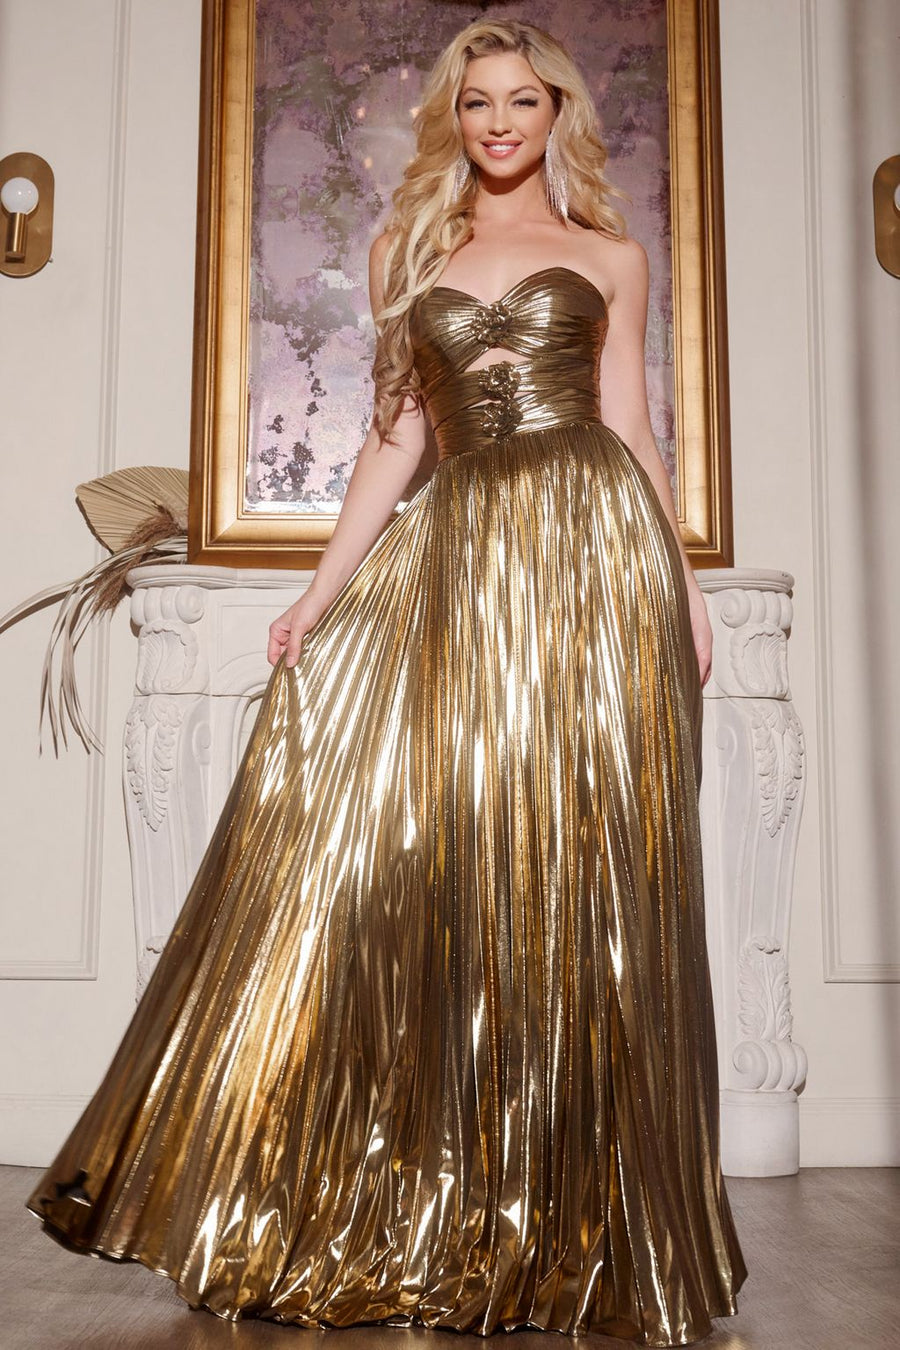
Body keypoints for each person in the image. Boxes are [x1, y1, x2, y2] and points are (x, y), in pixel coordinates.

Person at [25, 18, 747, 1347]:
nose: (498, 123)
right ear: (452, 119)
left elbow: (636, 431)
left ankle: (583, 1226)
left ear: (557, 113)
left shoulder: (613, 255)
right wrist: (318, 594)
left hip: (597, 560)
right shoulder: (408, 253)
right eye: (476, 103)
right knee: (436, 846)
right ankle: (437, 1200)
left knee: (583, 863)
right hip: (462, 556)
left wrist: (688, 590)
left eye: (521, 100)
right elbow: (395, 441)